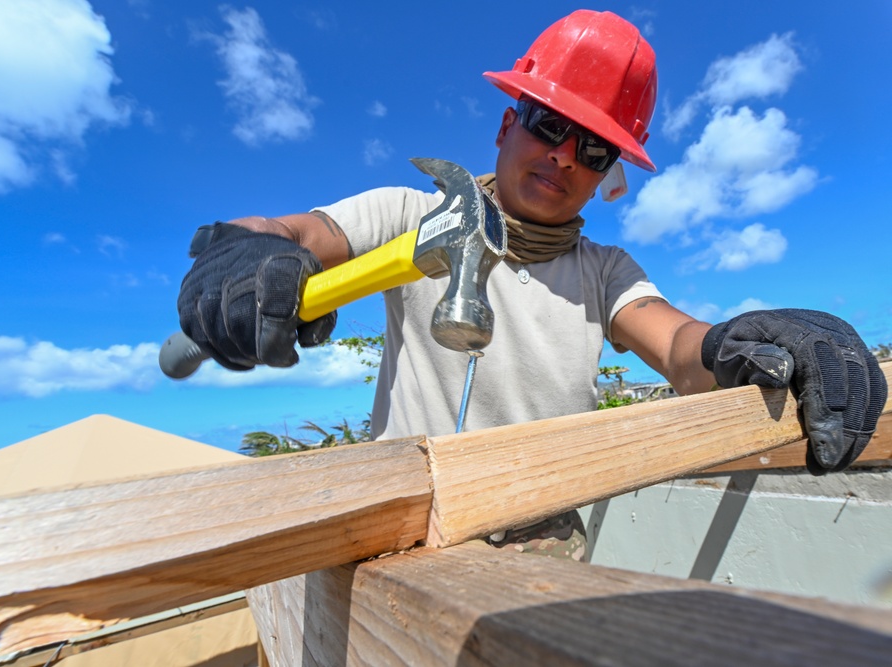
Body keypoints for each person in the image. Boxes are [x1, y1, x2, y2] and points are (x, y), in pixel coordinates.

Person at [176, 10, 887, 558]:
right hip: (395, 517)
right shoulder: (409, 215)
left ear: (608, 172)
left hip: (541, 529)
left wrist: (746, 339)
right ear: (505, 125)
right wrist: (247, 252)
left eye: (592, 147)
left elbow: (679, 348)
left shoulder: (605, 273)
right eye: (549, 124)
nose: (563, 157)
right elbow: (298, 232)